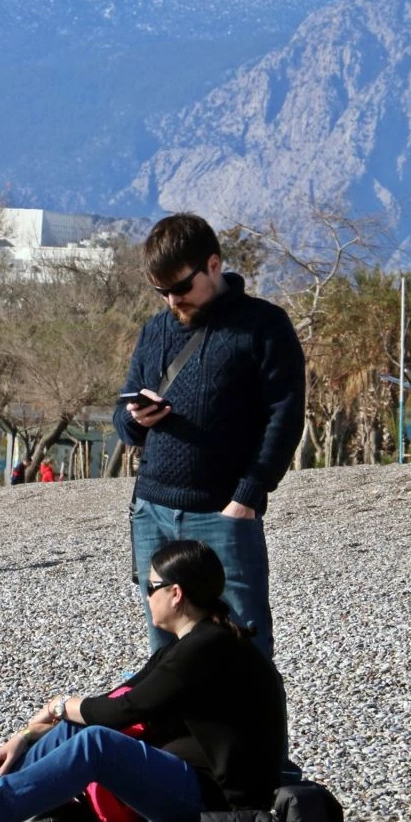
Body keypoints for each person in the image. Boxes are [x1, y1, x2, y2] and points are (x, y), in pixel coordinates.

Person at [0, 539, 288, 822]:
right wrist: (26, 734)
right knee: (79, 729)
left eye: (150, 587)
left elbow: (124, 712)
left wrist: (59, 704)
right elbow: (114, 697)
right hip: (189, 780)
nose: (145, 596)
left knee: (97, 742)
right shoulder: (192, 643)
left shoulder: (209, 647)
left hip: (217, 802)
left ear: (175, 593)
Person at [116, 213, 305, 663]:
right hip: (152, 512)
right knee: (164, 649)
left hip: (224, 514)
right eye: (161, 291)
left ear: (214, 265)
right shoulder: (153, 331)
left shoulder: (264, 326)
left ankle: (250, 734)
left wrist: (248, 497)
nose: (172, 300)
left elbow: (285, 417)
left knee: (245, 643)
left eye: (181, 287)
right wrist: (137, 419)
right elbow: (122, 425)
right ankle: (173, 735)